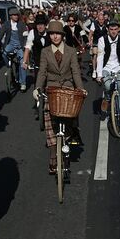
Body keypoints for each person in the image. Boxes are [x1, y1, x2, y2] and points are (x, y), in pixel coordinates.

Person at [33, 21, 86, 174]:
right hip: (51, 88)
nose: (55, 36)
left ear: (62, 36)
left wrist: (81, 89)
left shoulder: (70, 51)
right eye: (52, 34)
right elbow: (42, 72)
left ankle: (71, 135)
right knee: (49, 117)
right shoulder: (45, 52)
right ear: (49, 36)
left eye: (57, 33)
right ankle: (53, 155)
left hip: (68, 87)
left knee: (71, 113)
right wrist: (37, 88)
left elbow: (76, 71)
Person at [96, 20, 120, 119]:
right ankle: (107, 99)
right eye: (111, 29)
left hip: (118, 67)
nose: (113, 31)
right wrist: (99, 74)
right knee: (108, 87)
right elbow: (100, 57)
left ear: (119, 30)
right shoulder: (102, 40)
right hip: (106, 67)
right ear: (108, 30)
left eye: (115, 29)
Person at [0, 8, 28, 91]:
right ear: (10, 16)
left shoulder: (21, 24)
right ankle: (8, 66)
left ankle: (23, 83)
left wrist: (24, 46)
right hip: (10, 44)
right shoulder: (6, 24)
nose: (16, 16)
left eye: (17, 15)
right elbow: (1, 33)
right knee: (4, 53)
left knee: (22, 62)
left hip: (20, 45)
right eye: (14, 15)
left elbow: (25, 36)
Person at [88, 12, 107, 79]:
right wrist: (90, 41)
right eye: (100, 19)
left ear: (104, 20)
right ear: (97, 19)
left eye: (102, 19)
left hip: (104, 42)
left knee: (103, 56)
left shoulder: (106, 24)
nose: (101, 21)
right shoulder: (94, 24)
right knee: (95, 55)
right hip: (96, 42)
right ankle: (94, 70)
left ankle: (102, 69)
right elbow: (90, 33)